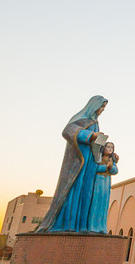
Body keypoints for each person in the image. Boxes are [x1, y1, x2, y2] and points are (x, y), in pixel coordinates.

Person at [36, 96, 108, 233]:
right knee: (74, 189)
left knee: (87, 193)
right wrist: (90, 135)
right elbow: (68, 131)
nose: (102, 110)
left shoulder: (95, 122)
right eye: (102, 107)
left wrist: (103, 149)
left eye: (104, 108)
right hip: (78, 162)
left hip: (90, 162)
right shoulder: (82, 118)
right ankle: (66, 224)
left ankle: (82, 226)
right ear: (94, 105)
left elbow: (95, 143)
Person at [87, 142, 119, 233]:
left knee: (103, 204)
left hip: (106, 183)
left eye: (112, 147)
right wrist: (105, 167)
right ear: (103, 148)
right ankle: (92, 226)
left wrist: (112, 165)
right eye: (108, 147)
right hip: (98, 182)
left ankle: (101, 227)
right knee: (95, 202)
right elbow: (94, 168)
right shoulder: (98, 158)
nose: (110, 149)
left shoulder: (111, 160)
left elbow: (115, 171)